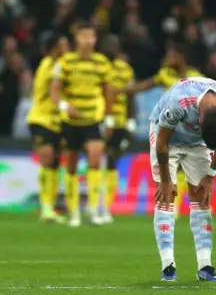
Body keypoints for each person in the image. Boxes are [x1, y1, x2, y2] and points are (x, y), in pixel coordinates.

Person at [150, 76, 216, 281]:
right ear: (199, 120)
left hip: (198, 143)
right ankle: (168, 266)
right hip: (168, 136)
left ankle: (205, 266)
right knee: (166, 195)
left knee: (201, 195)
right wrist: (166, 180)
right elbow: (161, 143)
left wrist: (210, 175)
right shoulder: (178, 103)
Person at [125, 45, 203, 220]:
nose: (168, 60)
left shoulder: (196, 77)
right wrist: (123, 90)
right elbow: (145, 85)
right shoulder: (165, 74)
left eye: (172, 56)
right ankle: (172, 204)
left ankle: (196, 203)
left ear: (181, 58)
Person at [50, 23, 113, 227]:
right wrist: (63, 105)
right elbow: (54, 90)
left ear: (95, 39)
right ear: (76, 39)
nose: (87, 40)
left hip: (92, 120)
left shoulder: (102, 63)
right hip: (71, 121)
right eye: (83, 36)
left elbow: (108, 91)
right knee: (71, 165)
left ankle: (93, 209)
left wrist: (109, 117)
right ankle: (74, 211)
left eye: (91, 36)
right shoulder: (65, 62)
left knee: (95, 160)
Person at [26, 34, 70, 223]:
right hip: (41, 119)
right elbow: (54, 91)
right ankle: (45, 207)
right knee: (48, 158)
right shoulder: (50, 65)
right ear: (55, 49)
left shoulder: (59, 65)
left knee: (54, 163)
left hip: (57, 121)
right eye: (64, 44)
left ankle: (50, 207)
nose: (68, 47)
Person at [101, 35, 136, 224]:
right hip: (99, 119)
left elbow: (130, 96)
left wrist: (131, 122)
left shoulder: (125, 69)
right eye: (108, 45)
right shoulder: (98, 66)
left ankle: (105, 206)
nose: (111, 48)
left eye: (113, 45)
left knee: (112, 160)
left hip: (120, 121)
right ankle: (94, 204)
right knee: (98, 159)